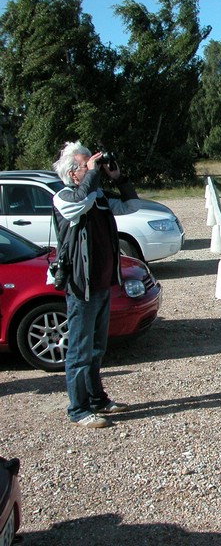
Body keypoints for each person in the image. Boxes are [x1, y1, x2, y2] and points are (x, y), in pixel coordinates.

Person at [52, 142, 140, 428]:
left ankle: (97, 399)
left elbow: (131, 205)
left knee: (97, 348)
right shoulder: (64, 198)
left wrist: (118, 178)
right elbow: (79, 201)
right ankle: (78, 409)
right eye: (84, 165)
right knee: (79, 350)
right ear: (72, 173)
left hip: (101, 284)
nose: (92, 169)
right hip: (81, 286)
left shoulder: (98, 196)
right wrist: (92, 174)